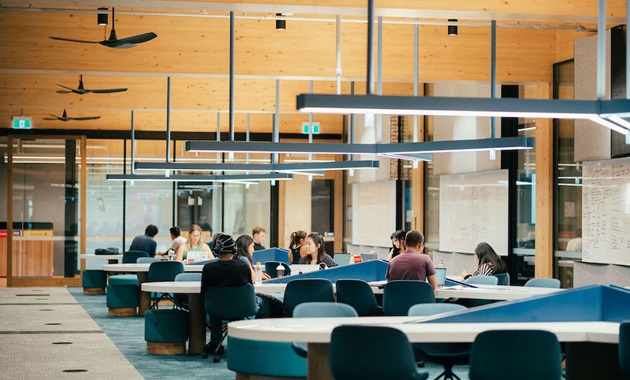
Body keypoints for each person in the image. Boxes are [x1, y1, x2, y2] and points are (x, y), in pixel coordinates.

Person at [201, 234, 255, 354]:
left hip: (216, 308)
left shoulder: (208, 268)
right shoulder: (243, 266)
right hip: (240, 307)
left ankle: (215, 343)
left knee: (216, 306)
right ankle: (239, 343)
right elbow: (250, 288)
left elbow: (204, 291)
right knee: (256, 304)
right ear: (234, 249)